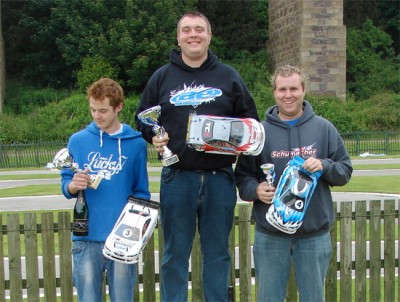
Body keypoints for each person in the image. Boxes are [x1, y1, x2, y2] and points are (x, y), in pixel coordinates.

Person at [135, 11, 259, 302]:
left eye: (199, 29)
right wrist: (154, 135)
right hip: (178, 178)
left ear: (209, 35)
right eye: (187, 30)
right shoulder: (162, 76)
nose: (194, 35)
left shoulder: (229, 76)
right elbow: (143, 118)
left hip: (219, 179)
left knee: (217, 254)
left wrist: (233, 140)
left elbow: (250, 122)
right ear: (178, 38)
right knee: (174, 255)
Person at [235, 65, 353, 302]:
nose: (288, 95)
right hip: (270, 234)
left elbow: (345, 171)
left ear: (304, 90)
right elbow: (243, 177)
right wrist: (255, 190)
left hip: (313, 234)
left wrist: (325, 165)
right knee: (268, 298)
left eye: (293, 89)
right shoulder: (260, 132)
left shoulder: (324, 128)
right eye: (282, 89)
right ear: (274, 92)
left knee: (313, 298)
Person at [60, 78, 150, 301]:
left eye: (103, 110)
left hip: (122, 239)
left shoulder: (136, 143)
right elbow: (65, 184)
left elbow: (141, 191)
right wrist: (73, 185)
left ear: (118, 107)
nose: (97, 116)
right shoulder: (77, 141)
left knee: (122, 298)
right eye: (92, 110)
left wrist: (134, 229)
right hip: (86, 237)